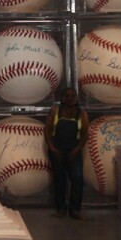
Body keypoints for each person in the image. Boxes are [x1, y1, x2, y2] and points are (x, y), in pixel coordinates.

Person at [44, 87, 89, 220]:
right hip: (57, 150)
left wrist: (76, 150)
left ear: (76, 98)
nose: (70, 98)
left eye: (73, 96)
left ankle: (75, 210)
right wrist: (52, 148)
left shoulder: (81, 114)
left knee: (77, 179)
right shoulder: (55, 111)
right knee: (60, 180)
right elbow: (47, 130)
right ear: (62, 98)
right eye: (67, 95)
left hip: (73, 151)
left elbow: (85, 134)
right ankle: (61, 209)